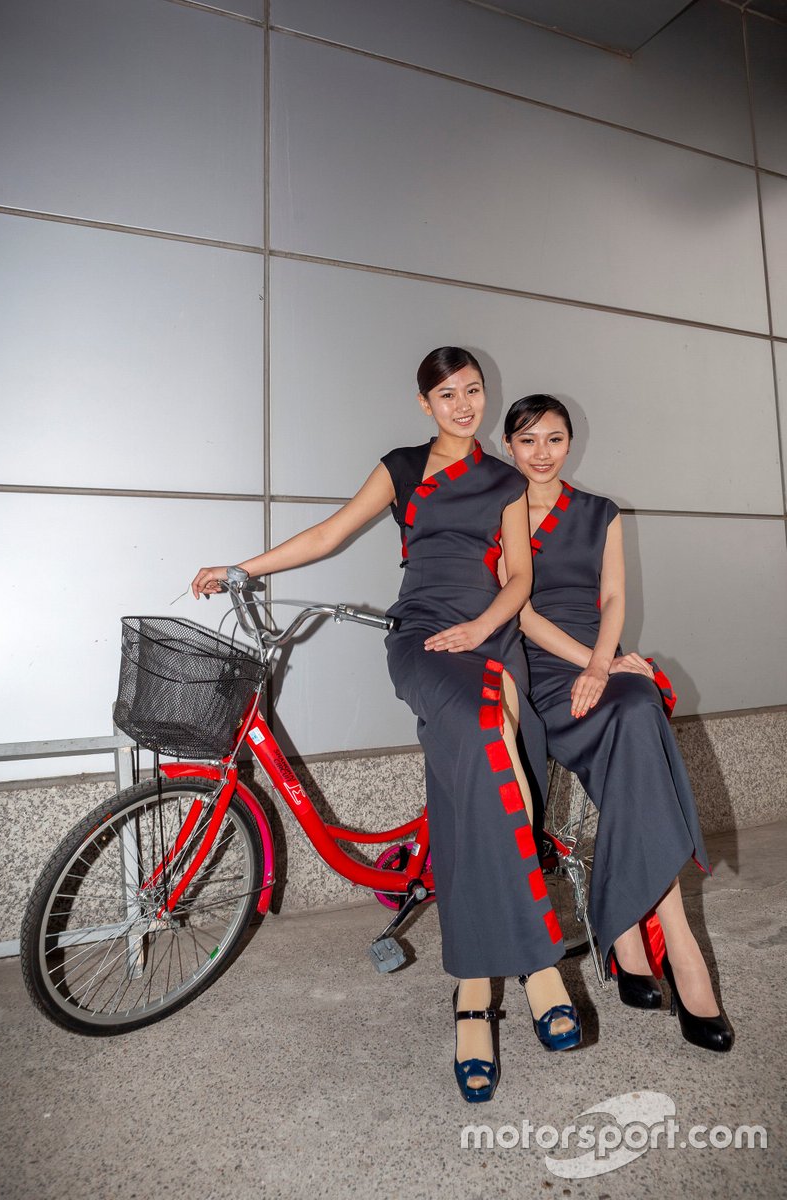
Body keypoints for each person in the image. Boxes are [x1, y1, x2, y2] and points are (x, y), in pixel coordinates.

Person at [192, 348, 581, 1104]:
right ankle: (536, 962)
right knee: (483, 733)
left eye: (473, 391)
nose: (465, 405)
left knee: (488, 751)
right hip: (425, 634)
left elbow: (520, 578)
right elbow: (331, 534)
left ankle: (476, 987)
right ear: (423, 402)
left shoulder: (506, 479)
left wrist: (483, 631)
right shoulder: (403, 468)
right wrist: (243, 569)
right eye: (447, 394)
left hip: (490, 632)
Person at [503, 393, 733, 1052]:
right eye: (528, 440)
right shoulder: (503, 514)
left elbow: (612, 598)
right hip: (544, 667)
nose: (542, 452)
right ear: (510, 447)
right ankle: (670, 944)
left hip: (597, 657)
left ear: (568, 442)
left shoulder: (600, 513)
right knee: (632, 708)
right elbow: (519, 612)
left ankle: (640, 934)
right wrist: (591, 666)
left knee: (637, 706)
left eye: (554, 438)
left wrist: (604, 664)